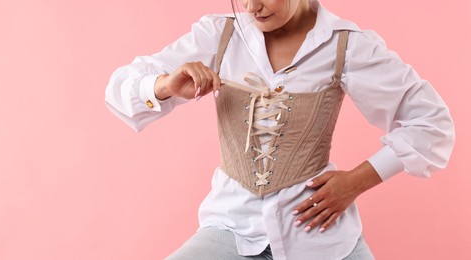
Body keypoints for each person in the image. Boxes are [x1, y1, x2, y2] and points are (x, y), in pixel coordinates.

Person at [105, 0, 455, 259]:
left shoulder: (348, 45)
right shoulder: (221, 34)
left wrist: (356, 182)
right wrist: (165, 85)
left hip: (320, 234)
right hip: (231, 225)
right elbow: (121, 86)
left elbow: (431, 123)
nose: (252, 6)